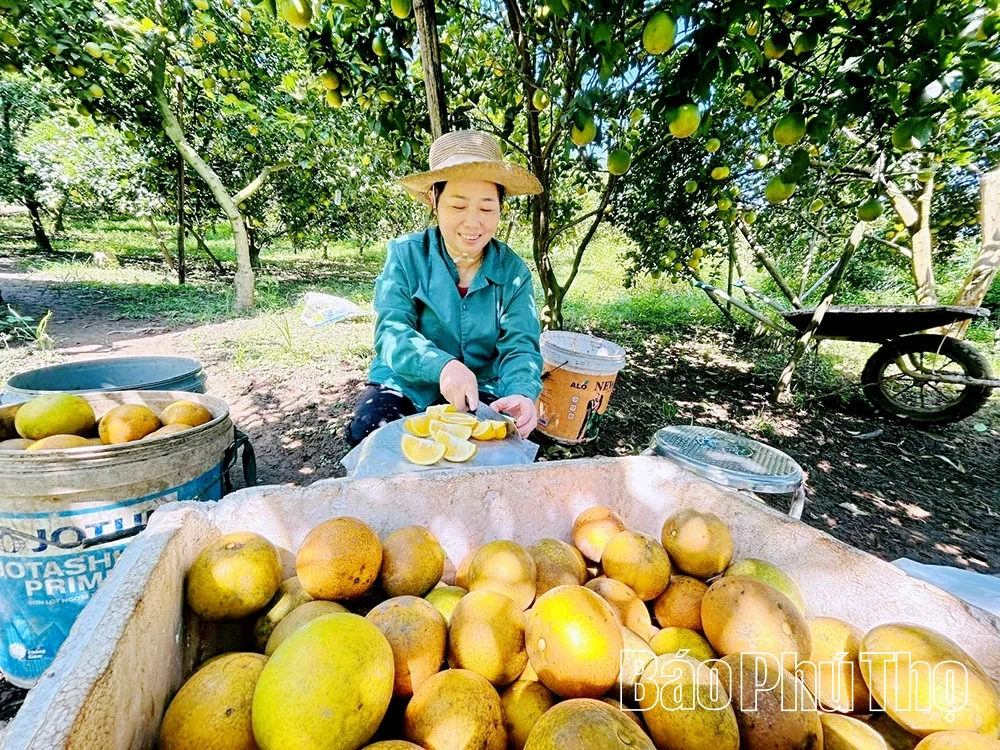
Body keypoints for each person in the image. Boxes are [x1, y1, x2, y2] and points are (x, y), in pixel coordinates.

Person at [346, 130, 545, 447]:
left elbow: (520, 347)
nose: (473, 223)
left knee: (493, 447)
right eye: (458, 206)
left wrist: (522, 392)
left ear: (500, 208)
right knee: (372, 432)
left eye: (486, 208)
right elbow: (392, 331)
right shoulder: (405, 255)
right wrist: (442, 366)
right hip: (406, 381)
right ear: (434, 200)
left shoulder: (514, 273)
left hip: (480, 385)